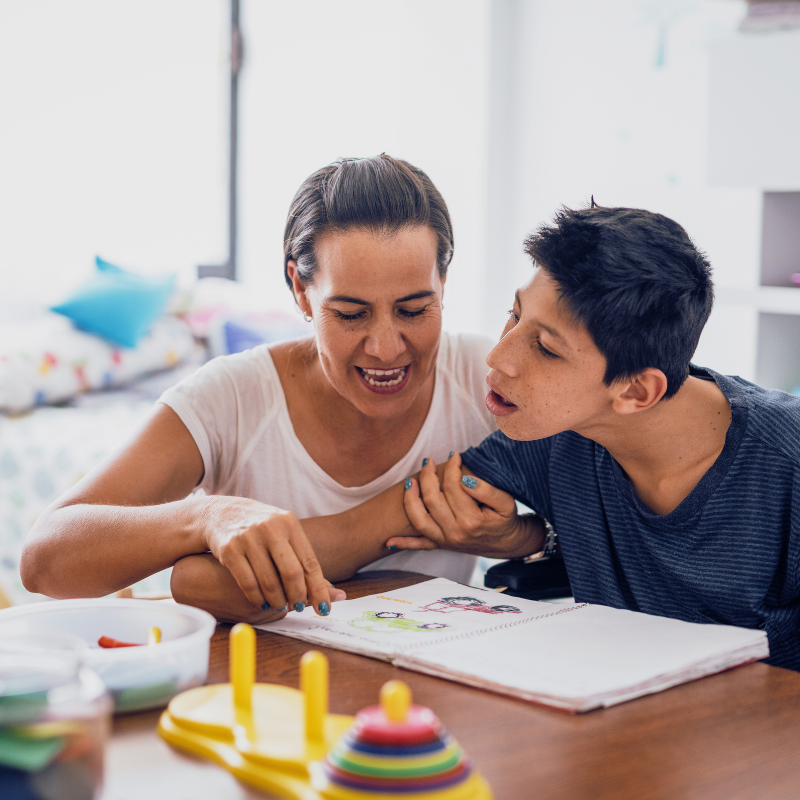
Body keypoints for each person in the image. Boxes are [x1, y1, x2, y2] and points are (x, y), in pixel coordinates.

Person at [20, 155, 496, 623]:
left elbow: (567, 521)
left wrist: (525, 536)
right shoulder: (231, 399)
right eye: (351, 314)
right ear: (300, 289)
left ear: (443, 282)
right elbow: (44, 560)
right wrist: (208, 518)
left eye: (414, 310)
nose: (387, 348)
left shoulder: (485, 377)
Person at [326, 204, 800, 672]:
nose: (498, 357)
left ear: (635, 390)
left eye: (547, 349)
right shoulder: (558, 434)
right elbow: (352, 534)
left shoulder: (786, 464)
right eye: (513, 315)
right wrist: (250, 519)